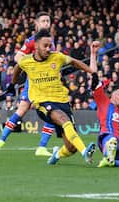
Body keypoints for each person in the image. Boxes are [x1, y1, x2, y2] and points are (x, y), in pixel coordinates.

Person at [11, 29, 96, 164]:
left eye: (50, 45)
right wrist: (13, 83)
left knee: (71, 148)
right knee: (63, 119)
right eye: (45, 46)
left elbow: (75, 62)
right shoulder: (26, 61)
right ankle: (85, 151)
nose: (48, 49)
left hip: (62, 101)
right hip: (42, 102)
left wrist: (92, 73)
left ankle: (56, 155)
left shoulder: (57, 56)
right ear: (36, 45)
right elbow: (17, 67)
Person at [0, 11, 63, 156]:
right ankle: (2, 140)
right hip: (33, 82)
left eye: (48, 21)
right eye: (43, 21)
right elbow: (18, 56)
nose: (46, 24)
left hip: (48, 83)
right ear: (36, 24)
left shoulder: (51, 41)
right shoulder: (32, 40)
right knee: (22, 109)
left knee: (52, 112)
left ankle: (42, 147)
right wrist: (32, 65)